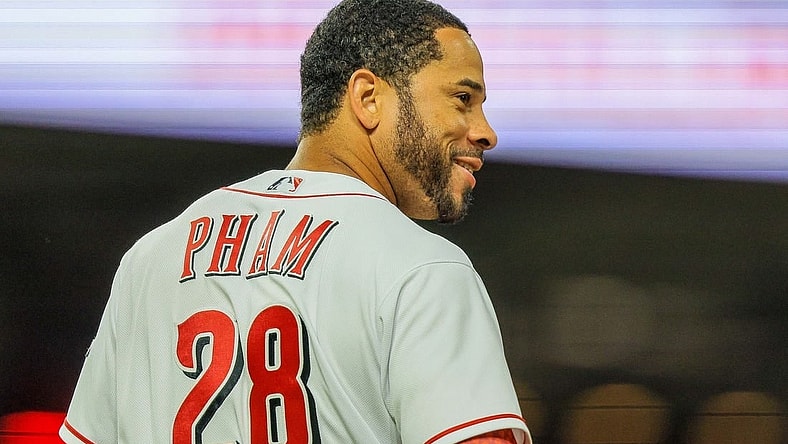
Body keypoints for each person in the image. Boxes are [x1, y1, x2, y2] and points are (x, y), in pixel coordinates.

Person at [59, 0, 532, 443]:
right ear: (368, 97)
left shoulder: (150, 258)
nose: (485, 131)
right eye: (463, 98)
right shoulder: (423, 270)